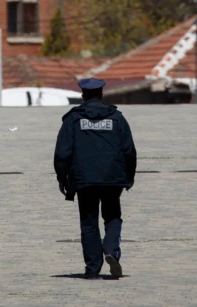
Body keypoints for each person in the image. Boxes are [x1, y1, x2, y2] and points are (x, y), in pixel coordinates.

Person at [54, 77, 137, 280]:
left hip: (84, 179)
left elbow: (63, 153)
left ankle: (92, 270)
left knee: (89, 223)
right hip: (113, 178)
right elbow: (129, 150)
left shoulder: (73, 119)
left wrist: (62, 177)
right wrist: (129, 175)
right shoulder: (117, 118)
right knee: (112, 216)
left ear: (83, 96)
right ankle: (111, 250)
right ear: (101, 95)